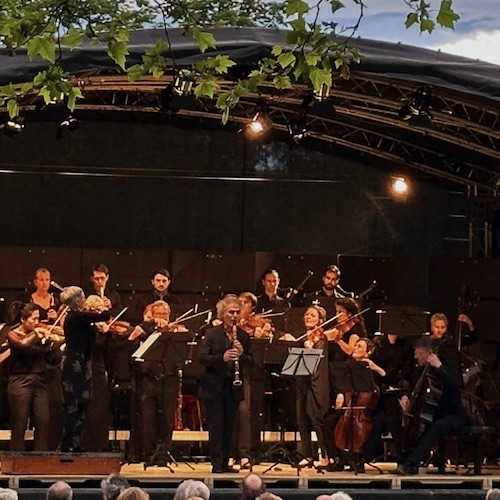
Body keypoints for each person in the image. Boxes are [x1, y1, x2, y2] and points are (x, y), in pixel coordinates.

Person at [396, 336, 467, 475]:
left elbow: (455, 383)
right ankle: (404, 461)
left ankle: (411, 463)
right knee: (400, 422)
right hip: (433, 413)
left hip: (453, 414)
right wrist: (406, 397)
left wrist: (439, 367)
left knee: (435, 426)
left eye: (419, 353)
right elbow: (416, 387)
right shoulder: (423, 370)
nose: (416, 357)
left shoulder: (447, 364)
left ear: (429, 353)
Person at [199, 294, 253, 473]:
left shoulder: (243, 336)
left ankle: (225, 463)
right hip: (214, 386)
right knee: (216, 426)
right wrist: (222, 358)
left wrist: (242, 355)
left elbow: (251, 361)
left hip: (233, 387)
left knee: (230, 425)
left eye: (237, 312)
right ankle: (216, 463)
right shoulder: (211, 333)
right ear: (223, 313)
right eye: (231, 312)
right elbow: (202, 358)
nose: (234, 316)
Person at [59, 286, 111, 452]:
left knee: (82, 405)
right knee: (73, 406)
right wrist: (105, 307)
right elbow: (104, 316)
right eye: (82, 297)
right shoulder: (75, 317)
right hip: (75, 363)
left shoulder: (79, 317)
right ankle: (67, 445)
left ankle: (76, 443)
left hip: (83, 363)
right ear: (77, 301)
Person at [127, 300, 179, 465]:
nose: (162, 317)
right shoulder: (146, 330)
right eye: (159, 314)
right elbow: (131, 348)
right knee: (148, 418)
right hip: (148, 379)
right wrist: (150, 325)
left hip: (169, 378)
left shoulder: (174, 332)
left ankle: (164, 453)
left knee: (167, 419)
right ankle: (150, 453)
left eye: (165, 314)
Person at [281, 305, 329, 468]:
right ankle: (306, 454)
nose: (308, 317)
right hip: (302, 381)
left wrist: (311, 348)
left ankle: (324, 454)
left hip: (316, 382)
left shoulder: (322, 338)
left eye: (312, 315)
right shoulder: (303, 337)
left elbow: (318, 361)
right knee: (302, 417)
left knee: (316, 418)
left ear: (321, 320)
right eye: (307, 314)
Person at [7, 302, 54, 451]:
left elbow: (51, 358)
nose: (37, 322)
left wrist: (51, 343)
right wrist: (36, 334)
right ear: (23, 319)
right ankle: (17, 457)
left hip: (40, 380)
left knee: (43, 420)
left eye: (38, 319)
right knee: (20, 422)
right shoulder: (13, 333)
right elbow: (23, 344)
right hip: (20, 381)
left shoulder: (39, 334)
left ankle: (41, 457)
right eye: (33, 319)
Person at [362, 333, 414, 464]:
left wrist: (405, 394)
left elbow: (404, 375)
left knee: (389, 418)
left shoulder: (406, 347)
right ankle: (364, 456)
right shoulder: (378, 345)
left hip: (393, 391)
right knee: (380, 420)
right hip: (377, 392)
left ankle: (366, 457)